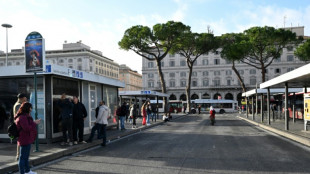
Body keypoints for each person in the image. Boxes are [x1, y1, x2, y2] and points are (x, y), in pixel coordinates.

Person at [15, 102, 41, 174]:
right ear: (27, 108)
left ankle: (27, 171)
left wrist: (33, 122)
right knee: (22, 157)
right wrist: (34, 123)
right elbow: (27, 128)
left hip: (26, 138)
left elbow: (27, 126)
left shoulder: (24, 116)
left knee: (25, 157)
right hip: (24, 138)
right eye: (30, 108)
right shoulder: (22, 117)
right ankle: (22, 172)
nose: (31, 109)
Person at [13, 93, 28, 161]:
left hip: (19, 124)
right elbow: (22, 114)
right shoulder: (18, 105)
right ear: (22, 98)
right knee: (21, 140)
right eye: (25, 98)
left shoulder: (16, 104)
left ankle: (19, 155)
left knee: (20, 140)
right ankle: (19, 155)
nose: (26, 99)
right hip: (20, 125)